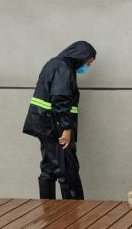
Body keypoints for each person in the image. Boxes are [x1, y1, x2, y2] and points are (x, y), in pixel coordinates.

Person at [23, 41, 97, 199]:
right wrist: (66, 128)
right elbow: (60, 99)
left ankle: (48, 208)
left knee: (49, 169)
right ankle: (74, 210)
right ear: (80, 56)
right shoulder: (63, 68)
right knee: (68, 171)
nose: (87, 67)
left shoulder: (54, 64)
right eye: (88, 62)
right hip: (56, 127)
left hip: (46, 126)